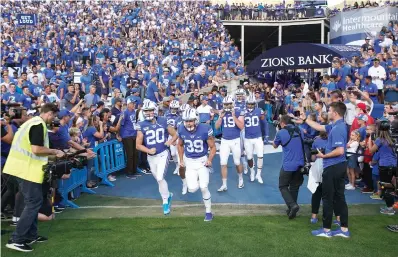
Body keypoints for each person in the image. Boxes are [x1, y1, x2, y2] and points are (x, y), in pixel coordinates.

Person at [3, 103, 65, 252]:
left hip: (20, 167)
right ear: (49, 114)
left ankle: (31, 235)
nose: (54, 119)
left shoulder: (30, 122)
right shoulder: (39, 125)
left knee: (32, 202)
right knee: (33, 202)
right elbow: (36, 149)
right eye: (54, 116)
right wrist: (55, 151)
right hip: (26, 169)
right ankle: (17, 239)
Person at [297, 102, 350, 238]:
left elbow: (339, 150)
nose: (328, 112)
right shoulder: (337, 125)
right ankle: (344, 230)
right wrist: (305, 120)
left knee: (328, 198)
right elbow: (319, 126)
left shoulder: (338, 129)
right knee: (339, 197)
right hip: (339, 165)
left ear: (336, 113)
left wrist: (324, 156)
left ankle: (326, 230)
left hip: (332, 166)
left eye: (330, 110)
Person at [136, 101, 177, 215]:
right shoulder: (141, 124)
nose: (148, 113)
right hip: (151, 156)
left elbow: (175, 134)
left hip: (163, 153)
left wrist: (170, 141)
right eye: (146, 111)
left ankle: (165, 202)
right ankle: (168, 195)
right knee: (159, 180)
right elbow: (138, 145)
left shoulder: (163, 121)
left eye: (150, 110)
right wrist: (148, 150)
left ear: (155, 110)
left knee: (160, 178)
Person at [177, 108, 216, 221]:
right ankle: (201, 179)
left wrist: (210, 159)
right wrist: (181, 159)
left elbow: (213, 147)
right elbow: (179, 145)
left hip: (202, 161)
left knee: (204, 187)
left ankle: (208, 212)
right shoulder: (181, 129)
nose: (188, 123)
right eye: (187, 121)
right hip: (189, 162)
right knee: (192, 189)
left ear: (196, 120)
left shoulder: (205, 129)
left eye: (191, 121)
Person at [273, 115, 305, 219]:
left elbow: (275, 145)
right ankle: (292, 211)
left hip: (288, 165)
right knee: (294, 187)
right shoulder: (299, 130)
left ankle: (292, 205)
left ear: (282, 123)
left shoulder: (281, 132)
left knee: (282, 186)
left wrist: (277, 130)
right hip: (300, 164)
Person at [215, 95, 245, 191]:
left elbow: (241, 127)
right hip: (224, 140)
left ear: (232, 104)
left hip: (235, 140)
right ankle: (224, 184)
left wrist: (233, 116)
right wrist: (220, 117)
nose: (227, 106)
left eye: (228, 104)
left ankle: (240, 178)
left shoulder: (238, 111)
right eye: (225, 104)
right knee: (223, 163)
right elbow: (216, 127)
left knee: (237, 162)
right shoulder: (222, 112)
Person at [368, 121, 397, 215]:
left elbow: (370, 150)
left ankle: (390, 209)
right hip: (394, 165)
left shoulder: (380, 140)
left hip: (385, 166)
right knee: (392, 187)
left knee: (386, 187)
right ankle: (391, 206)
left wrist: (369, 139)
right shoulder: (393, 139)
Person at [243, 95, 264, 183]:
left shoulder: (259, 111)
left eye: (252, 104)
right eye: (249, 104)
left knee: (260, 156)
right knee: (249, 157)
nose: (250, 106)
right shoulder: (243, 112)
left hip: (258, 137)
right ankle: (252, 172)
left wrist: (265, 135)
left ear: (255, 104)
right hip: (247, 138)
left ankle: (258, 174)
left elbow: (264, 123)